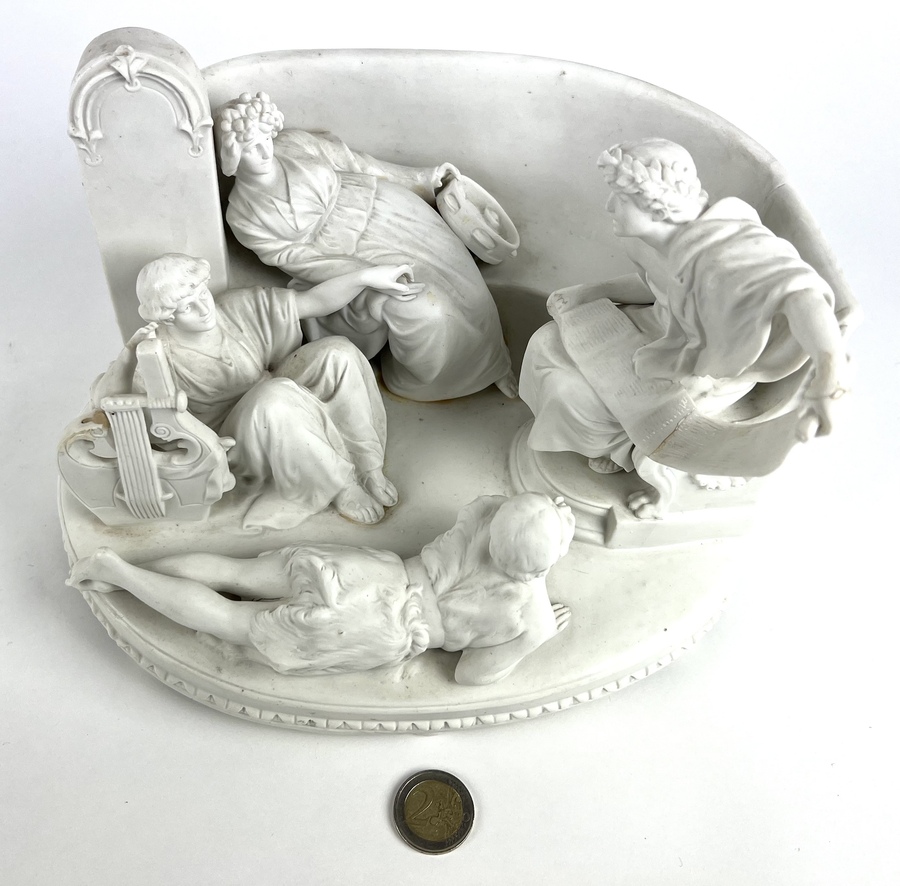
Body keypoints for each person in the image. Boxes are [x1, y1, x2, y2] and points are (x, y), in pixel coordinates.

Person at [520, 138, 853, 518]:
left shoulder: (728, 253)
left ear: (655, 205)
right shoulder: (649, 241)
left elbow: (801, 294)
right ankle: (617, 443)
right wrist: (593, 292)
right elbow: (658, 286)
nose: (610, 206)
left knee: (570, 393)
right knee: (547, 343)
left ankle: (623, 446)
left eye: (621, 198)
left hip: (704, 369)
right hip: (660, 331)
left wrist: (830, 373)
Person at [67, 493, 577, 686]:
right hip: (382, 629)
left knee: (234, 571)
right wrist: (534, 640)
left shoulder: (490, 512)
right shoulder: (526, 615)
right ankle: (123, 576)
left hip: (377, 574)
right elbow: (471, 674)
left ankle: (121, 566)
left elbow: (523, 511)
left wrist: (545, 515)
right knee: (231, 620)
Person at [215, 91, 516, 402]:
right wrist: (368, 274)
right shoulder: (244, 215)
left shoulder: (292, 144)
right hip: (345, 259)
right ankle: (432, 379)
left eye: (266, 139)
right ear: (232, 155)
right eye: (251, 148)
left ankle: (492, 360)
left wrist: (424, 178)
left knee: (464, 283)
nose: (265, 152)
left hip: (390, 210)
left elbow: (357, 163)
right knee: (428, 310)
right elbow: (300, 261)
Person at [92, 253, 421, 529]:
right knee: (274, 398)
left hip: (275, 390)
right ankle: (341, 485)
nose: (204, 309)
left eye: (202, 294)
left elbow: (314, 302)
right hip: (237, 441)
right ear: (168, 318)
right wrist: (129, 355)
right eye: (188, 307)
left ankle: (367, 466)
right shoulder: (159, 355)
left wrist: (365, 278)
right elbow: (106, 403)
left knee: (338, 352)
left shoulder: (234, 309)